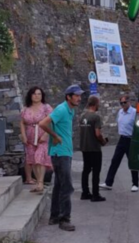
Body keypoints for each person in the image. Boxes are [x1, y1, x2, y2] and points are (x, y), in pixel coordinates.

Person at [38, 85, 84, 232]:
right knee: (67, 186)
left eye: (79, 95)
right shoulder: (62, 109)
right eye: (76, 95)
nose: (79, 98)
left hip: (65, 152)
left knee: (59, 184)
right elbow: (42, 123)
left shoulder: (71, 110)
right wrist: (55, 136)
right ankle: (65, 219)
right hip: (60, 153)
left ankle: (55, 216)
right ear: (68, 97)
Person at [100, 95, 139, 192]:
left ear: (129, 102)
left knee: (132, 162)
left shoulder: (134, 112)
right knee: (115, 161)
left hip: (131, 139)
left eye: (124, 103)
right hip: (122, 139)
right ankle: (108, 183)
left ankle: (135, 184)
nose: (123, 105)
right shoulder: (120, 112)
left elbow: (138, 127)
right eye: (121, 103)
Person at [19, 87, 53, 193]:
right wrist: (23, 135)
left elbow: (51, 121)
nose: (37, 96)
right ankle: (37, 182)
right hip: (30, 136)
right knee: (33, 159)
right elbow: (22, 122)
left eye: (39, 94)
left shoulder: (46, 107)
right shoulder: (25, 108)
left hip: (42, 135)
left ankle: (41, 182)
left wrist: (46, 134)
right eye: (34, 94)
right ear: (30, 95)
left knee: (39, 157)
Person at [79, 96, 108, 202]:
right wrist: (103, 141)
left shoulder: (82, 116)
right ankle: (95, 194)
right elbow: (97, 133)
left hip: (84, 147)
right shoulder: (95, 117)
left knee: (86, 170)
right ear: (95, 104)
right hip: (94, 148)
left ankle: (85, 192)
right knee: (96, 171)